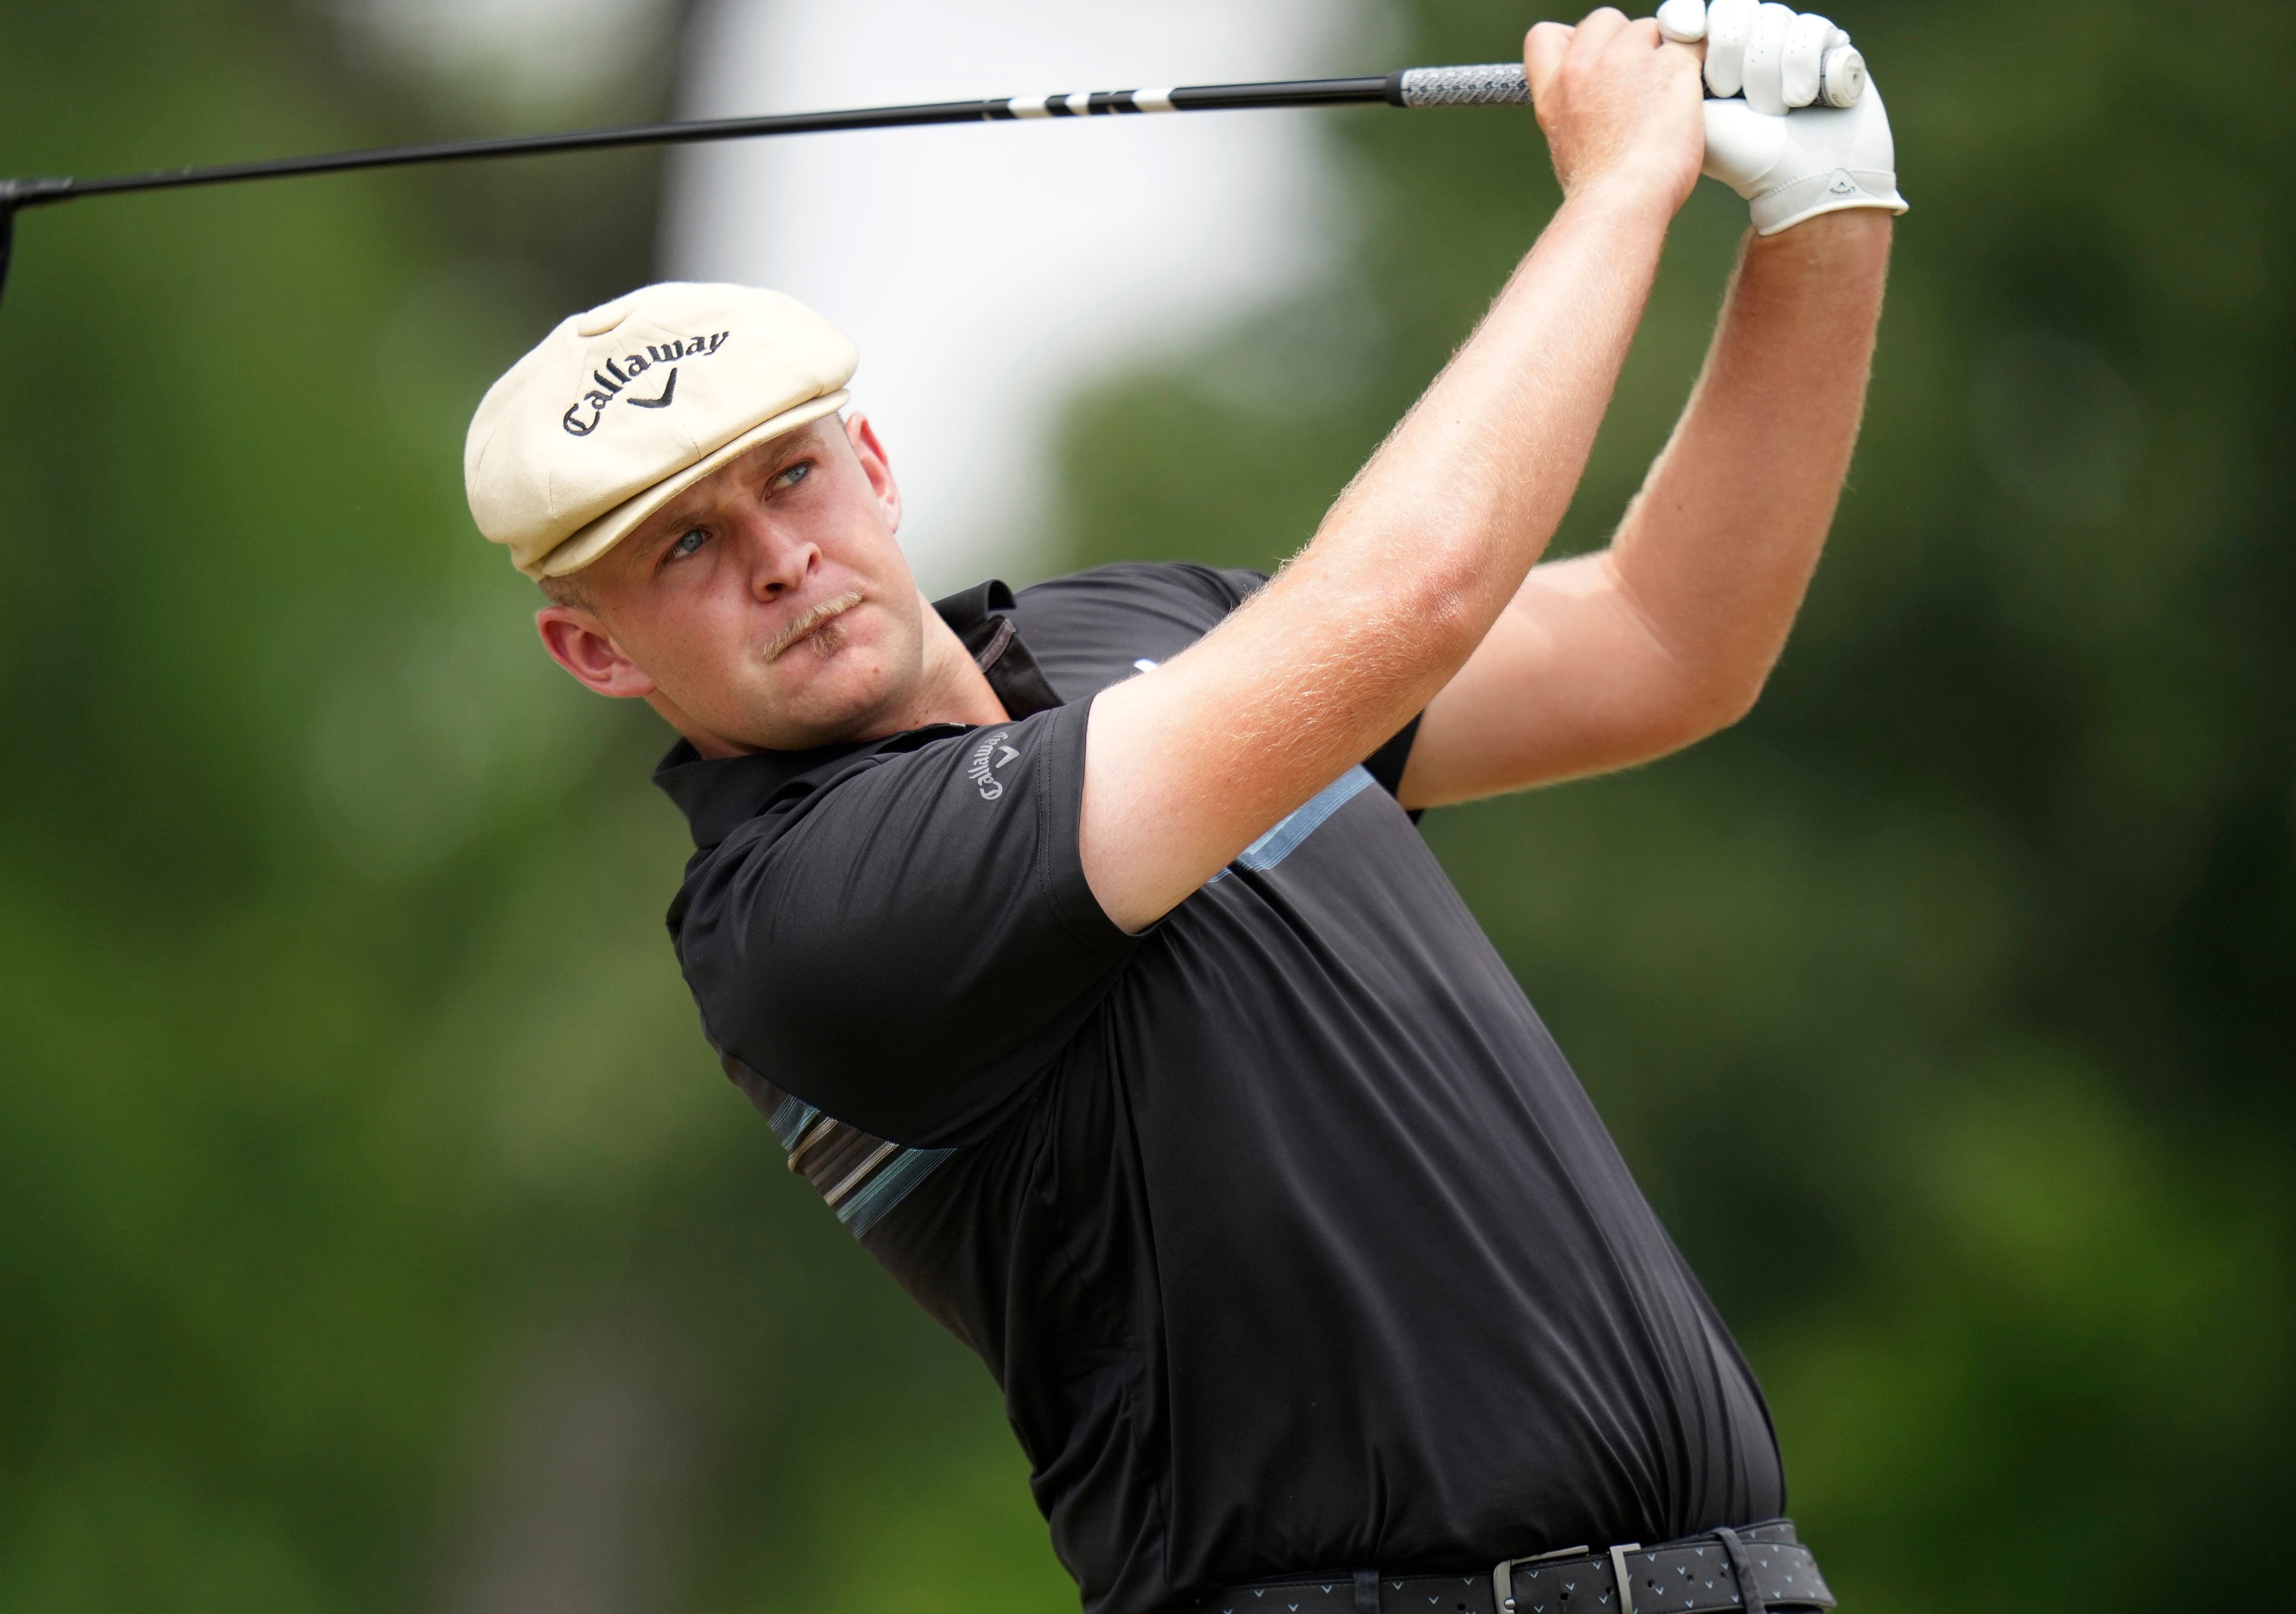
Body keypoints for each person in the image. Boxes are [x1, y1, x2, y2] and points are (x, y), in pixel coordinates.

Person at [462, 6, 1901, 1610]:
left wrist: (1821, 224)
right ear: (593, 650)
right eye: (682, 549)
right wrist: (1617, 193)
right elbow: (1407, 594)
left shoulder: (1135, 632)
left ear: (869, 461)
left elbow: (1658, 644)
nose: (777, 557)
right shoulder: (811, 914)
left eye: (787, 478)